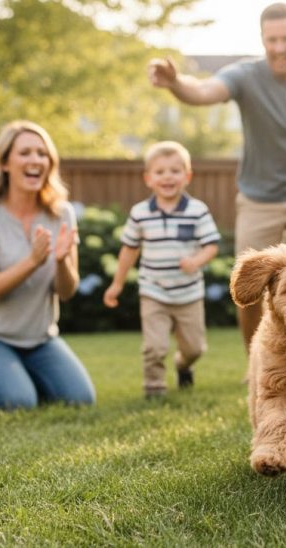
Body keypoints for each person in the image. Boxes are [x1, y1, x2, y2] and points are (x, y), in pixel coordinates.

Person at [148, 2, 286, 353]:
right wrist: (175, 83)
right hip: (258, 198)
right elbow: (203, 92)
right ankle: (258, 361)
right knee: (248, 289)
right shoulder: (245, 76)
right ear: (262, 39)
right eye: (271, 40)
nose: (279, 47)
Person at [0, 120, 96, 410]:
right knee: (18, 402)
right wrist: (32, 261)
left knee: (80, 400)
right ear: (4, 163)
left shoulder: (62, 213)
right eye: (25, 153)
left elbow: (66, 292)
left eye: (42, 154)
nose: (36, 160)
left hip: (39, 339)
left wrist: (61, 261)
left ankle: (15, 376)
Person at [103, 141, 220, 397]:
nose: (167, 177)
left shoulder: (197, 211)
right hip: (153, 291)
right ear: (148, 178)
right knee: (155, 346)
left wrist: (196, 260)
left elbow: (211, 246)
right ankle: (154, 387)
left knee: (195, 348)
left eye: (175, 171)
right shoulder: (140, 213)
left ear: (187, 176)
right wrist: (117, 284)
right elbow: (129, 249)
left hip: (189, 293)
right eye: (160, 172)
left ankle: (183, 365)